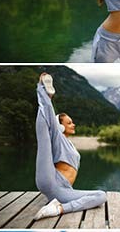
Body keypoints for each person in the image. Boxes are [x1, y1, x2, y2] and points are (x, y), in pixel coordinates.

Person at [35, 72, 106, 216]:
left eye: (72, 122)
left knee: (100, 195)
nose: (73, 125)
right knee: (43, 138)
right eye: (69, 123)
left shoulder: (69, 144)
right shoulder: (58, 138)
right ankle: (43, 92)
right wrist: (47, 95)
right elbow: (51, 124)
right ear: (60, 126)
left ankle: (56, 205)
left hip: (64, 190)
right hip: (52, 182)